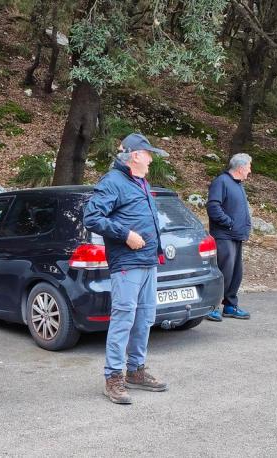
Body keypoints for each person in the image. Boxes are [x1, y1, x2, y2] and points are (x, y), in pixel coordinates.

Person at [84, 133, 170, 405]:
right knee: (123, 320)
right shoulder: (113, 182)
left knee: (145, 318)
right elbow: (92, 217)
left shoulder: (141, 182)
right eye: (148, 153)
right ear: (135, 155)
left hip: (147, 262)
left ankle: (135, 371)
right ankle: (113, 378)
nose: (152, 158)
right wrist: (125, 234)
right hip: (127, 264)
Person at [204, 153, 253, 322]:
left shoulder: (238, 185)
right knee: (224, 271)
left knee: (236, 272)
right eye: (248, 167)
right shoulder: (221, 182)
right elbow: (213, 207)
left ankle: (230, 306)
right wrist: (229, 223)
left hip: (236, 236)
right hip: (224, 235)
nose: (249, 170)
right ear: (240, 168)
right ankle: (213, 306)